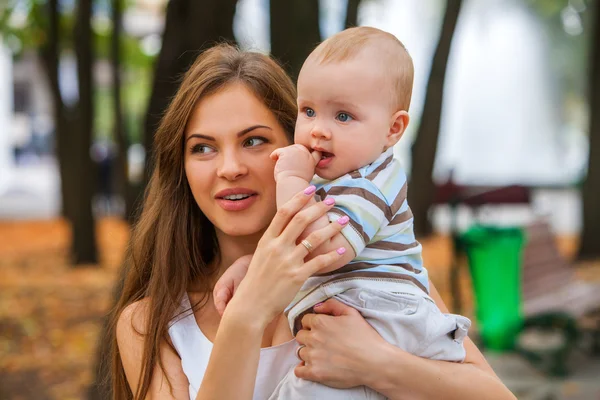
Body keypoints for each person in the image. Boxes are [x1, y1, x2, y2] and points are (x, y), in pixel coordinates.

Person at [110, 43, 516, 400]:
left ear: (302, 145)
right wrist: (248, 312)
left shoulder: (378, 273)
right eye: (203, 148)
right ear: (180, 166)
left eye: (254, 141)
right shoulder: (151, 324)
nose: (230, 168)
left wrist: (374, 363)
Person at [213, 27, 471, 399]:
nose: (319, 130)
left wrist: (290, 178)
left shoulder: (370, 183)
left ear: (393, 129)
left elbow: (322, 251)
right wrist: (250, 267)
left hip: (382, 314)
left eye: (344, 116)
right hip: (367, 312)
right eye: (309, 111)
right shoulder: (344, 181)